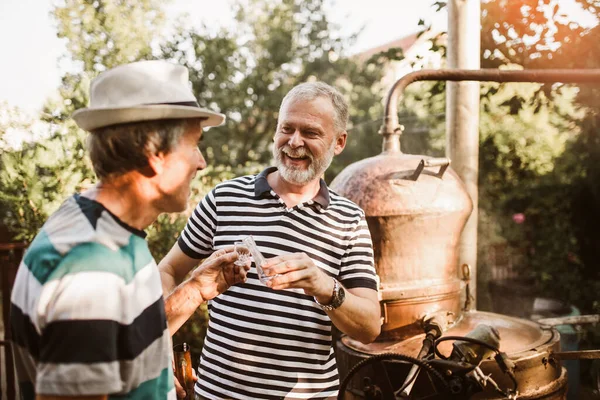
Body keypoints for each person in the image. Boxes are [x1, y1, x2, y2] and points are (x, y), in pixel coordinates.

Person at [10, 60, 249, 400]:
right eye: (194, 144)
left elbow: (123, 337)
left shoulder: (98, 225)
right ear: (155, 154)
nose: (201, 162)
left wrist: (196, 289)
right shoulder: (91, 268)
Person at [159, 82, 381, 399]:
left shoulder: (349, 220)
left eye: (311, 133)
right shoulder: (225, 199)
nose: (294, 142)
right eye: (286, 129)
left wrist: (323, 286)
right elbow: (167, 270)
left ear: (339, 142)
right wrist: (160, 342)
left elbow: (370, 327)